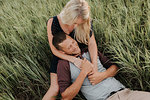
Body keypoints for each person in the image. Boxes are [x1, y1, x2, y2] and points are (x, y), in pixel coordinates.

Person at [52, 32, 150, 100]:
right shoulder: (63, 65)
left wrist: (101, 76)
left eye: (73, 42)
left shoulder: (89, 51)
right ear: (62, 52)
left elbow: (115, 68)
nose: (74, 46)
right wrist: (83, 72)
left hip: (126, 93)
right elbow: (66, 96)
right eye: (69, 47)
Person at [43, 0, 100, 99]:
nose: (76, 26)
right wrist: (74, 60)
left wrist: (94, 65)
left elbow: (91, 43)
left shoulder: (85, 20)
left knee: (93, 79)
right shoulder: (53, 22)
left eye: (79, 23)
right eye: (74, 23)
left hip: (81, 53)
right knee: (54, 89)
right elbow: (54, 50)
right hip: (62, 56)